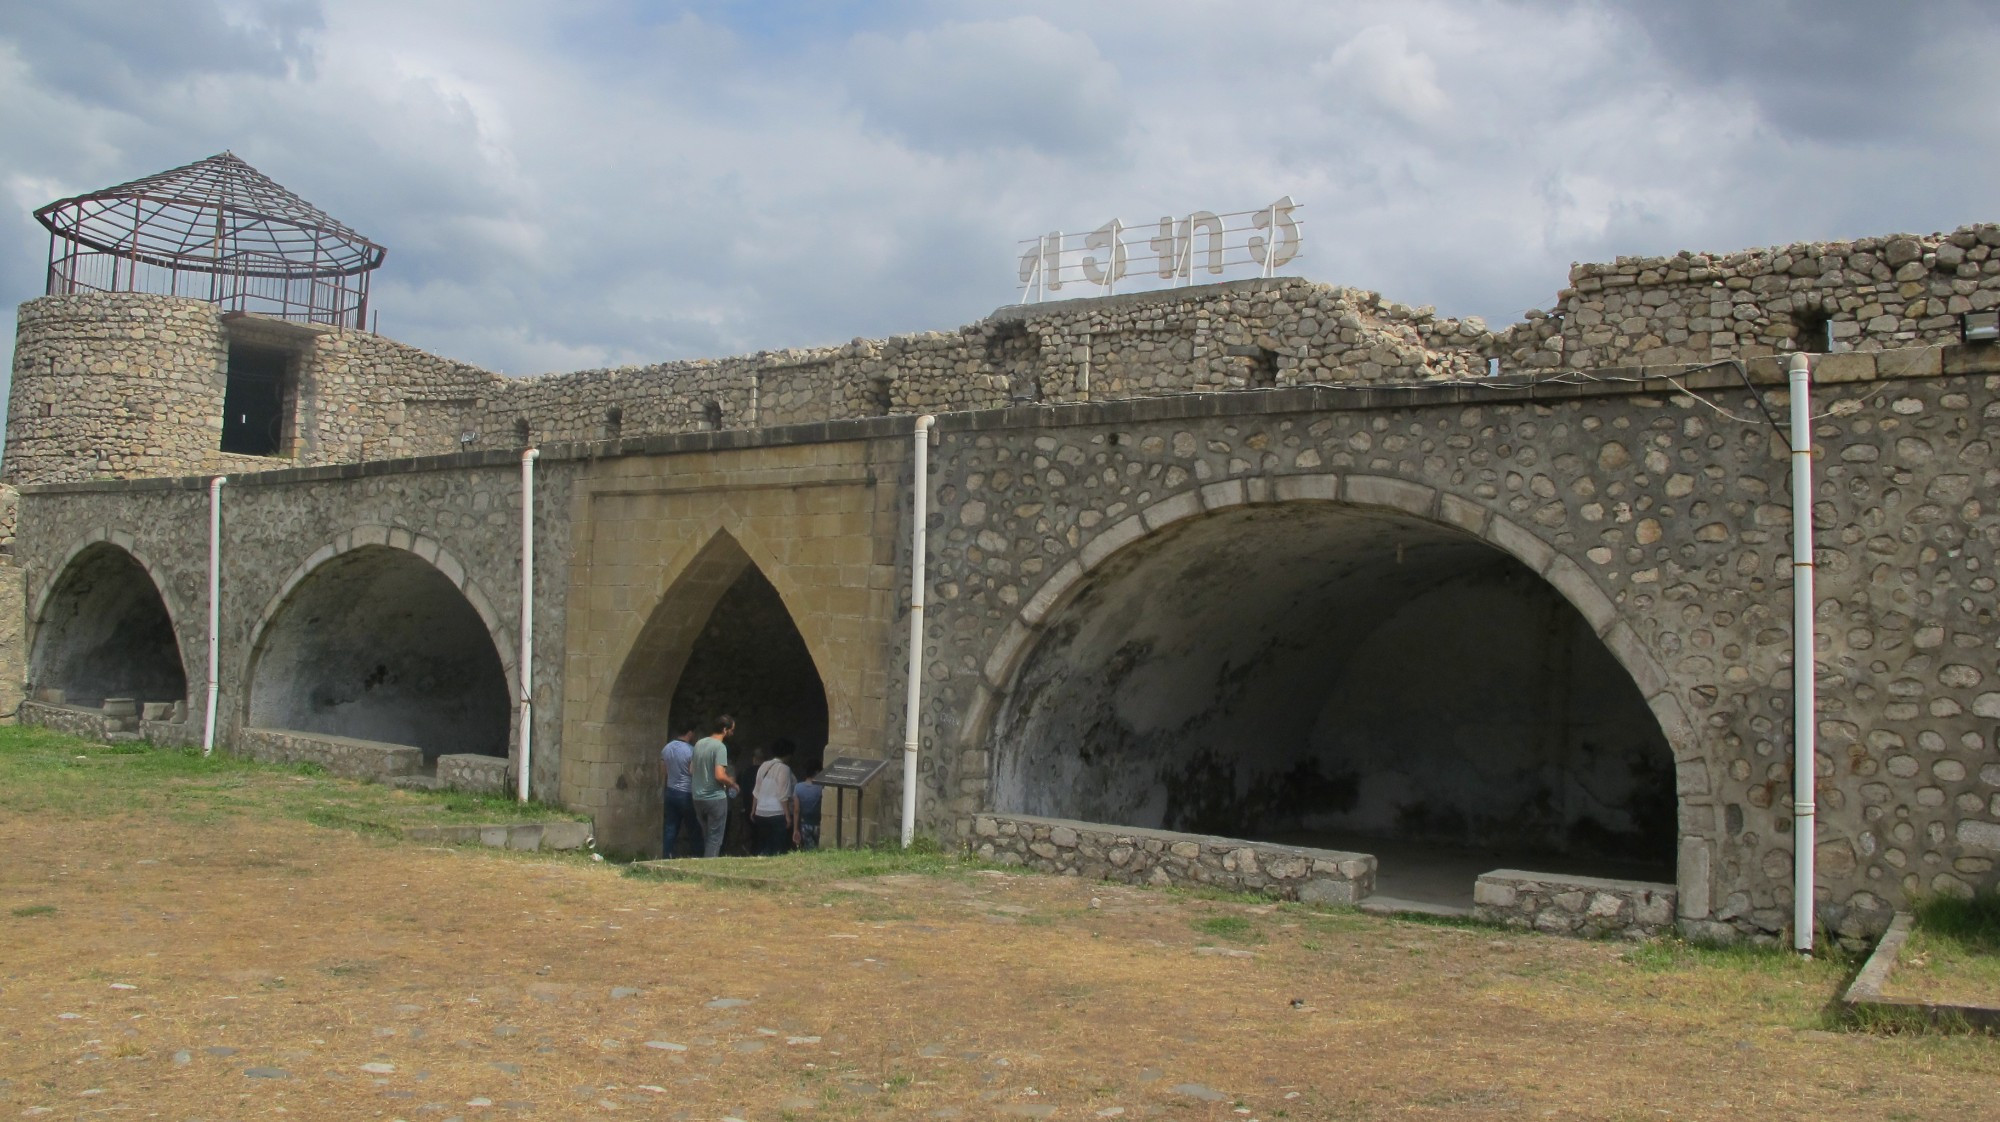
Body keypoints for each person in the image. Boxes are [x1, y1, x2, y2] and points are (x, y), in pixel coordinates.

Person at [689, 715, 738, 858]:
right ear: (724, 729)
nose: (732, 733)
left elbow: (691, 769)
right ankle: (709, 867)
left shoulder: (699, 743)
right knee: (715, 839)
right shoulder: (720, 747)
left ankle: (705, 861)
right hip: (715, 798)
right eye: (731, 730)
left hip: (697, 797)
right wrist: (733, 784)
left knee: (706, 836)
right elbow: (720, 775)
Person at [750, 739, 798, 857]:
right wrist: (787, 816)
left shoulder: (764, 766)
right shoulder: (784, 769)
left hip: (761, 811)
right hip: (777, 813)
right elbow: (783, 794)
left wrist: (753, 810)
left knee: (765, 846)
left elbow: (757, 790)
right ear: (788, 754)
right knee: (778, 849)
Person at [658, 723, 698, 858]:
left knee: (670, 826)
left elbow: (663, 771)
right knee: (693, 826)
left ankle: (666, 855)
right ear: (690, 733)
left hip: (670, 791)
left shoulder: (666, 748)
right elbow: (692, 771)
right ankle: (697, 854)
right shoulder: (691, 750)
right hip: (686, 792)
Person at [793, 761, 824, 850]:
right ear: (817, 772)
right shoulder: (822, 787)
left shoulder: (798, 787)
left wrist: (795, 829)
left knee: (809, 849)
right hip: (819, 823)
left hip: (805, 824)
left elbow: (796, 810)